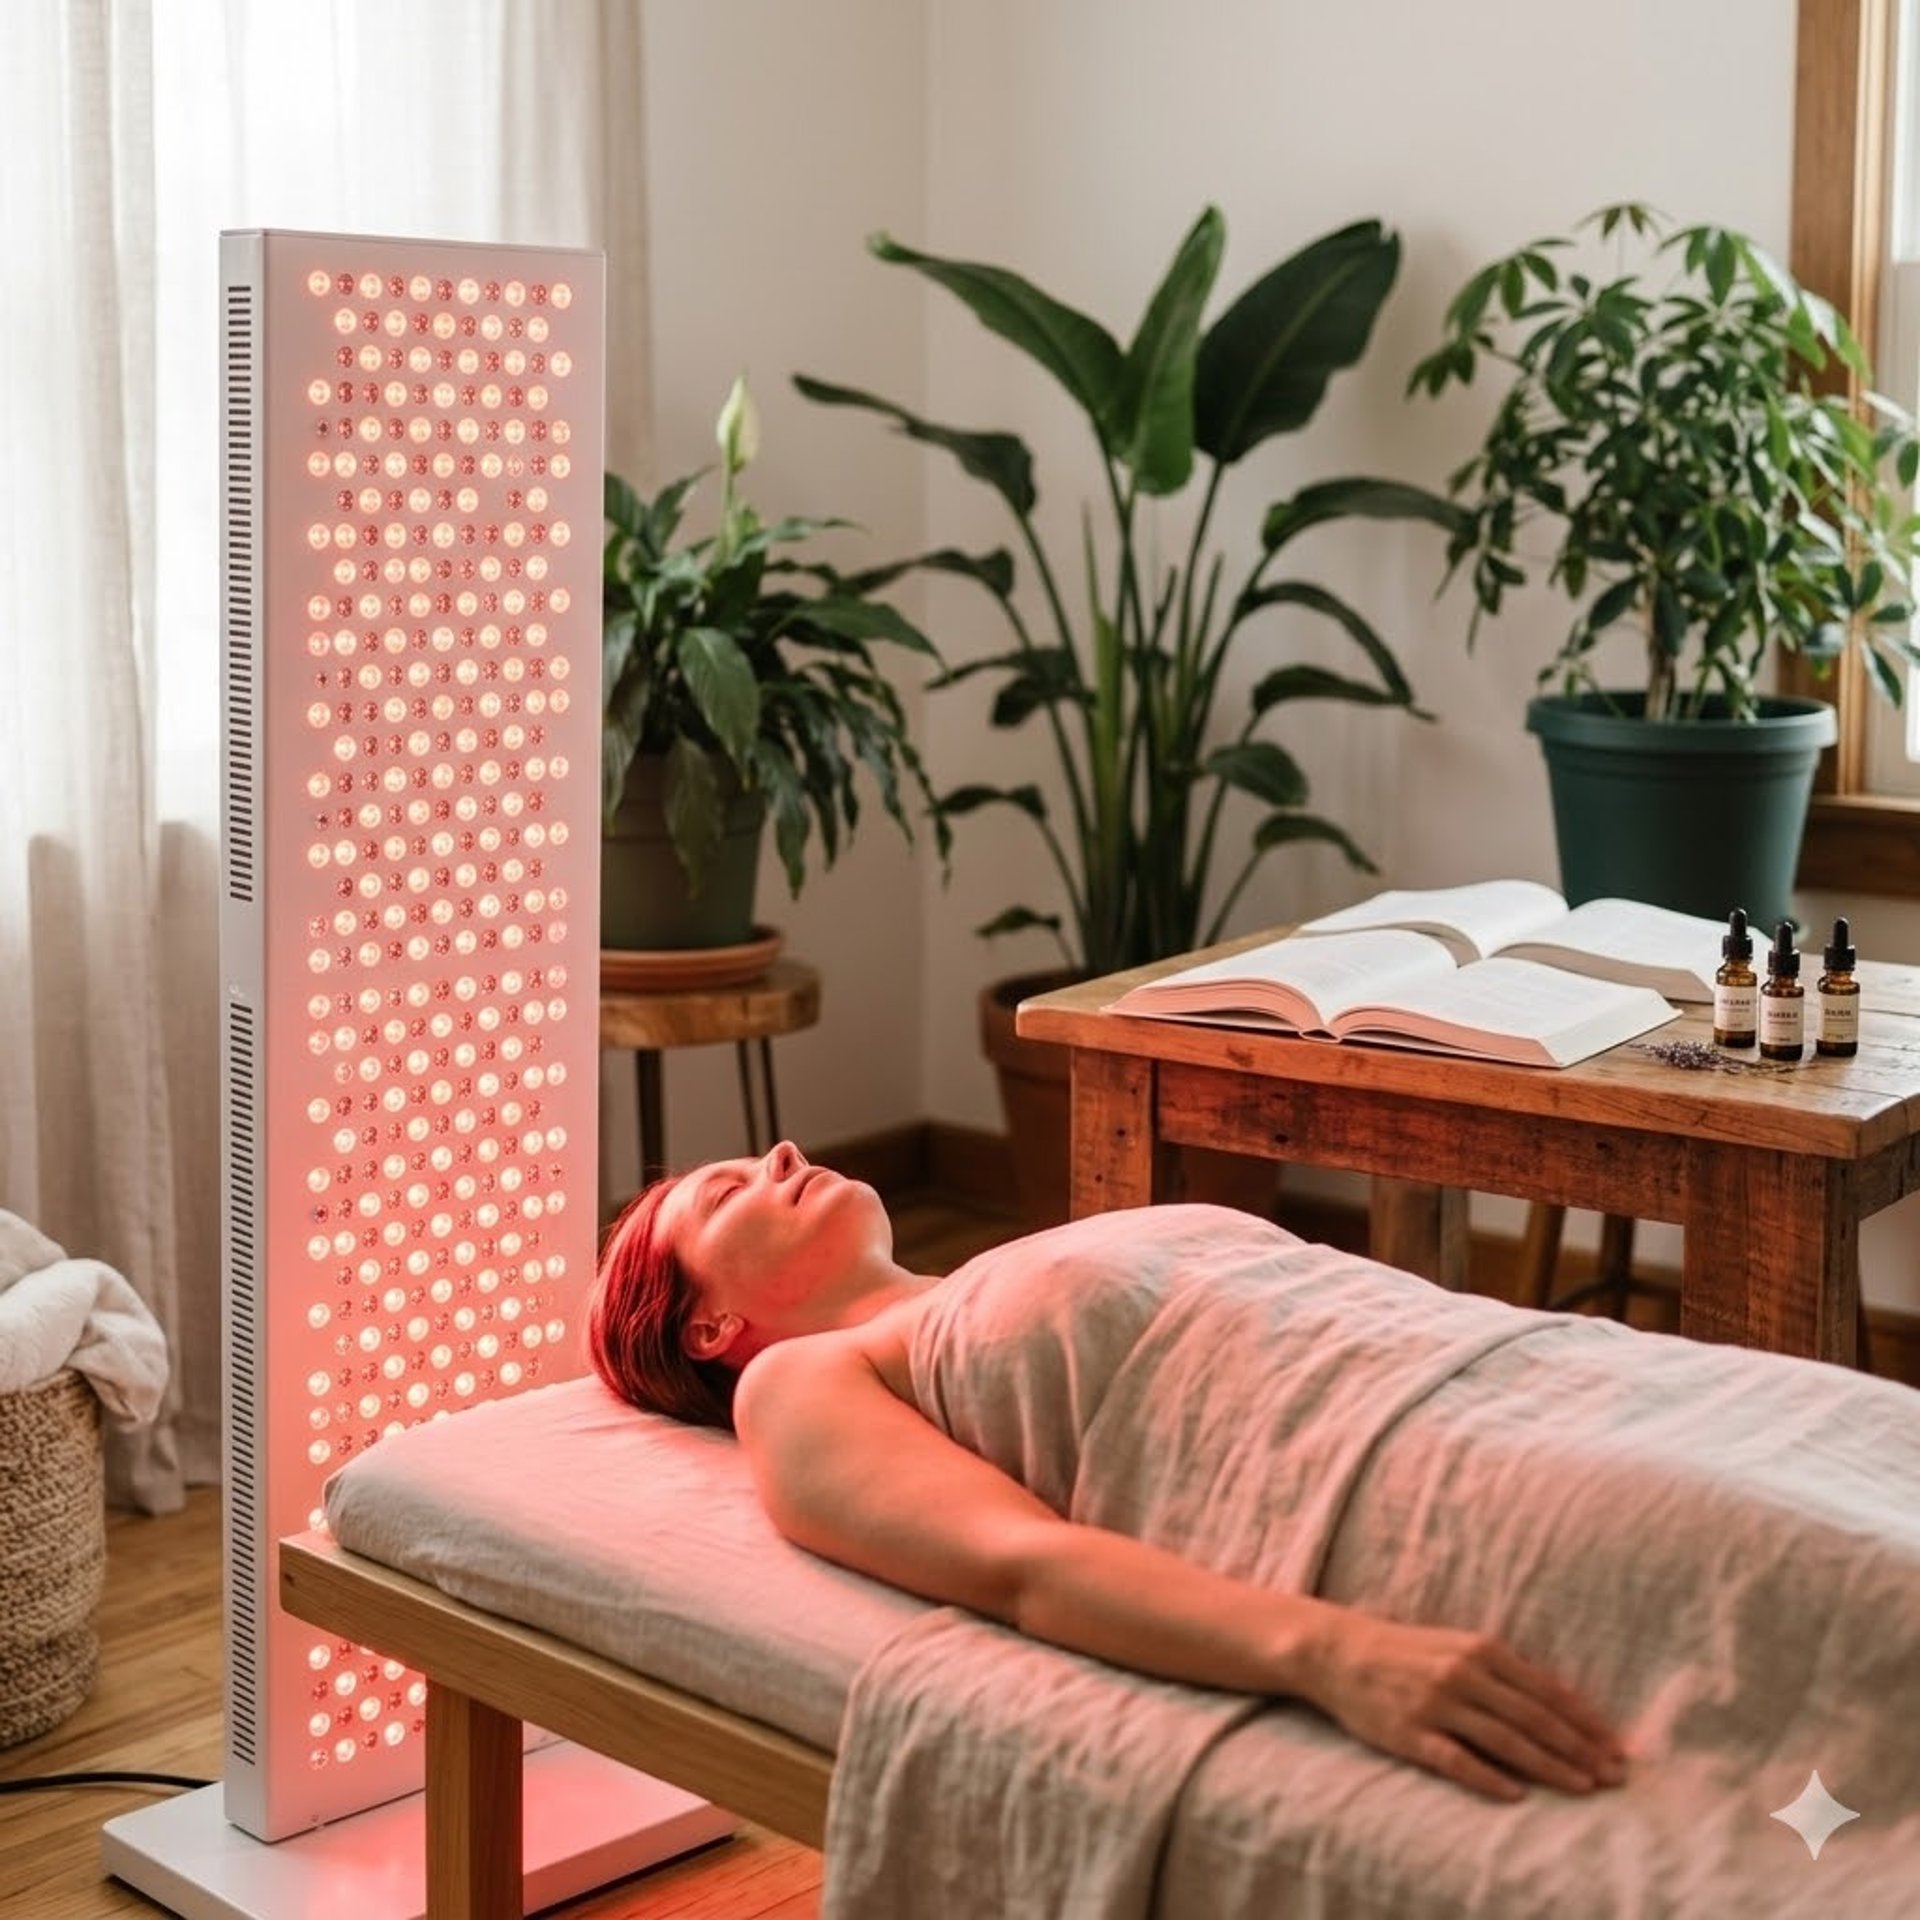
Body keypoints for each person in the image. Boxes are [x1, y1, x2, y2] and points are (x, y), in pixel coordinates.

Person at [588, 1139, 1630, 1806]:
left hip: (1536, 1379)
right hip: (1447, 1471)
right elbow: (1023, 1566)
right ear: (712, 1323)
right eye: (729, 1193)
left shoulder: (979, 1281)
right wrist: (1334, 1653)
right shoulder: (798, 1384)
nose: (782, 1149)